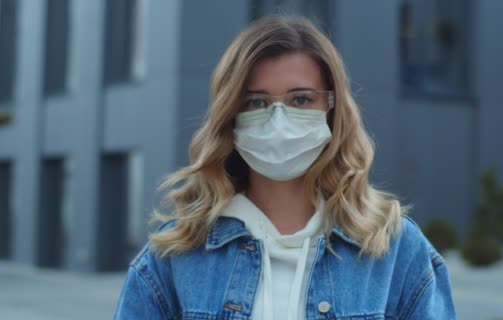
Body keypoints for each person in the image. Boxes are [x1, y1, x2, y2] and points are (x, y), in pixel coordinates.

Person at [114, 16, 456, 320]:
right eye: (256, 102)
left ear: (332, 108)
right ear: (230, 115)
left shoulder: (395, 249)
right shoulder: (175, 256)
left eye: (301, 99)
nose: (279, 120)